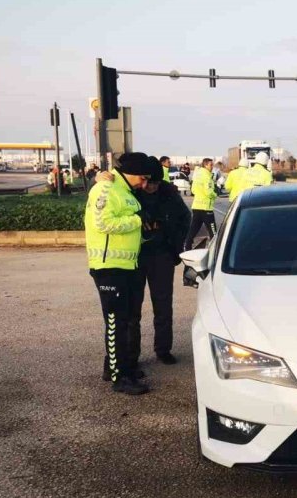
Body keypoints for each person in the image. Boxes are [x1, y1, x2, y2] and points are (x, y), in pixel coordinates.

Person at [85, 152, 153, 396]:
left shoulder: (123, 190)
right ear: (131, 173)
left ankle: (118, 366)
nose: (144, 184)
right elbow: (102, 223)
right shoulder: (105, 189)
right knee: (115, 323)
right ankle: (119, 377)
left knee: (126, 320)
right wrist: (136, 220)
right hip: (109, 267)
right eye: (143, 179)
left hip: (127, 266)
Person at [128, 156, 191, 366]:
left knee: (163, 305)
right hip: (136, 255)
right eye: (149, 183)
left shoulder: (169, 193)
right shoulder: (132, 192)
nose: (151, 187)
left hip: (162, 255)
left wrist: (177, 243)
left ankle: (163, 349)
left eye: (155, 183)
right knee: (132, 308)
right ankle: (132, 354)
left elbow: (185, 218)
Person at [184, 157, 218, 250]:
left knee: (193, 230)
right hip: (206, 208)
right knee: (213, 232)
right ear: (205, 165)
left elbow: (193, 190)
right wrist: (215, 194)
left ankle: (187, 246)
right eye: (211, 165)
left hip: (196, 207)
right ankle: (215, 250)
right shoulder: (207, 176)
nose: (212, 167)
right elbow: (209, 192)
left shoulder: (197, 175)